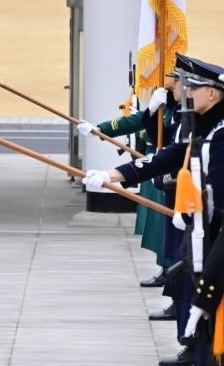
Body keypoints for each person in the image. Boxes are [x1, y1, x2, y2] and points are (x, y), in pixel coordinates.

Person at [83, 55, 224, 366]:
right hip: (203, 236)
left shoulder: (220, 133)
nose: (184, 92)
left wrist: (195, 210)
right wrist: (111, 176)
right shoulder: (200, 125)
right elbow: (167, 157)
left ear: (212, 93)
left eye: (193, 87)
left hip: (216, 239)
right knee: (202, 323)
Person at [77, 75, 182, 325]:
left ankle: (174, 286)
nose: (170, 82)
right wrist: (100, 128)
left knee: (173, 240)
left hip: (174, 179)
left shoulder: (187, 113)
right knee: (165, 235)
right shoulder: (169, 103)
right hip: (158, 170)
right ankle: (169, 275)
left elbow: (167, 142)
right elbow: (143, 124)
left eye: (175, 79)